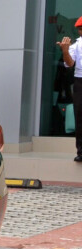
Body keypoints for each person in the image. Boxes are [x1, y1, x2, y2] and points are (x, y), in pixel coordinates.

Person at [58, 16, 82, 161]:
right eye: (80, 29)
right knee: (80, 115)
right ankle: (81, 152)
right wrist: (65, 51)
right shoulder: (77, 45)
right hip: (81, 80)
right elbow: (69, 64)